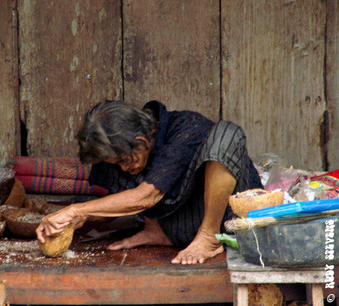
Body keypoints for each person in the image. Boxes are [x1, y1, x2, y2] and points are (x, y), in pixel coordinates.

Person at [36, 100, 262, 265]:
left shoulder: (186, 129)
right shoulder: (125, 155)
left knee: (227, 134)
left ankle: (208, 238)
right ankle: (156, 230)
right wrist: (79, 217)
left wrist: (76, 210)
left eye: (125, 159)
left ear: (142, 141)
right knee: (125, 167)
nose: (123, 167)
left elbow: (146, 197)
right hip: (179, 228)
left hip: (231, 220)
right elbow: (120, 201)